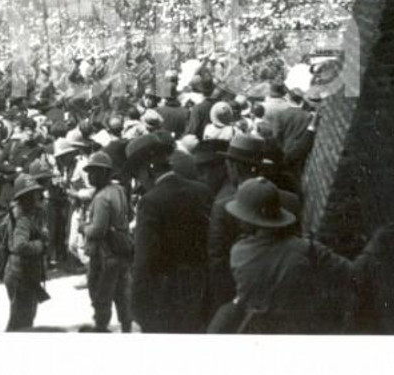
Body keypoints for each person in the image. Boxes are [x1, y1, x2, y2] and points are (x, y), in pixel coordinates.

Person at [213, 177, 392, 333]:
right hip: (300, 328)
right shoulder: (307, 249)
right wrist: (376, 243)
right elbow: (354, 274)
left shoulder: (238, 252)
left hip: (257, 330)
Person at [127, 132, 212, 332]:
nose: (140, 182)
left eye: (137, 175)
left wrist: (137, 305)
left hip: (165, 297)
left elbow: (144, 260)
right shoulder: (202, 191)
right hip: (201, 290)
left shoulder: (150, 202)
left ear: (146, 170)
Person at [207, 134, 300, 316]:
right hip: (282, 294)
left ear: (233, 167)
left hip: (241, 295)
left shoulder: (223, 206)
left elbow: (218, 260)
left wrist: (225, 303)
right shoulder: (291, 200)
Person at [79, 152, 132, 333]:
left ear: (103, 173)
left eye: (93, 172)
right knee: (122, 295)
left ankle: (101, 329)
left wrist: (83, 227)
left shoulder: (102, 198)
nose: (89, 176)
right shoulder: (118, 191)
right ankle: (126, 328)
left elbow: (97, 230)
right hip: (121, 251)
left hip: (103, 255)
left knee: (101, 297)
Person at [4, 174, 49, 331]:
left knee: (22, 319)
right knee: (22, 322)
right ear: (26, 197)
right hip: (21, 275)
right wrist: (40, 245)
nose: (38, 196)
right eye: (33, 194)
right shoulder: (23, 219)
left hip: (22, 274)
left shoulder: (25, 215)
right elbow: (20, 245)